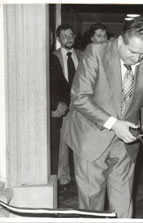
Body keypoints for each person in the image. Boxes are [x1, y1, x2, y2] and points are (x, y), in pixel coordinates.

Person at [61, 17, 143, 218]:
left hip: (126, 141)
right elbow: (80, 97)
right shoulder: (96, 52)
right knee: (92, 203)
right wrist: (114, 124)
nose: (138, 59)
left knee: (123, 203)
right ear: (119, 41)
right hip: (91, 136)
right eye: (133, 52)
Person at [51, 24, 83, 191]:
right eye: (64, 36)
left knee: (80, 144)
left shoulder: (83, 56)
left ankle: (82, 178)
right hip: (63, 106)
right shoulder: (53, 57)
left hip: (81, 107)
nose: (68, 39)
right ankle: (64, 180)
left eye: (71, 35)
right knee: (63, 145)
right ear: (58, 39)